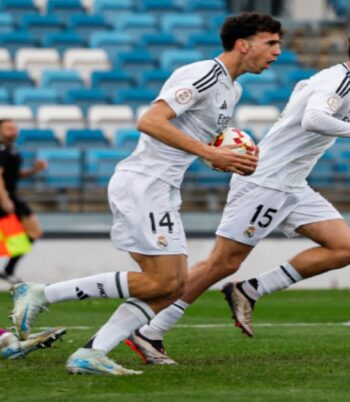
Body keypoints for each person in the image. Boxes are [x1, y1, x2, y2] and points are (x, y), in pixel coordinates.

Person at [9, 12, 280, 375]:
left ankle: (92, 352)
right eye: (271, 43)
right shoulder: (203, 74)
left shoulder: (233, 88)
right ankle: (43, 294)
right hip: (144, 183)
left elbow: (192, 138)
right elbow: (150, 121)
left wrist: (219, 157)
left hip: (162, 186)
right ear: (243, 45)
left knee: (171, 286)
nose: (277, 52)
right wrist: (210, 152)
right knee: (165, 282)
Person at [124, 25, 350, 365]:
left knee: (345, 249)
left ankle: (250, 290)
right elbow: (314, 119)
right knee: (221, 263)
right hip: (265, 181)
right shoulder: (338, 82)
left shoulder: (343, 84)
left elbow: (306, 107)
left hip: (293, 184)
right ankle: (149, 330)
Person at [0, 118, 47, 284]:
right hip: (4, 197)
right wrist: (4, 199)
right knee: (29, 232)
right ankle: (8, 270)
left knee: (33, 231)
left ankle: (8, 270)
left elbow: (13, 174)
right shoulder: (1, 149)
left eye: (15, 128)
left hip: (11, 196)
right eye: (8, 128)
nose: (13, 131)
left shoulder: (12, 149)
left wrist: (35, 170)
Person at [1, 327, 66, 360]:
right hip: (8, 335)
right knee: (18, 343)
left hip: (6, 339)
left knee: (11, 352)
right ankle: (45, 334)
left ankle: (39, 340)